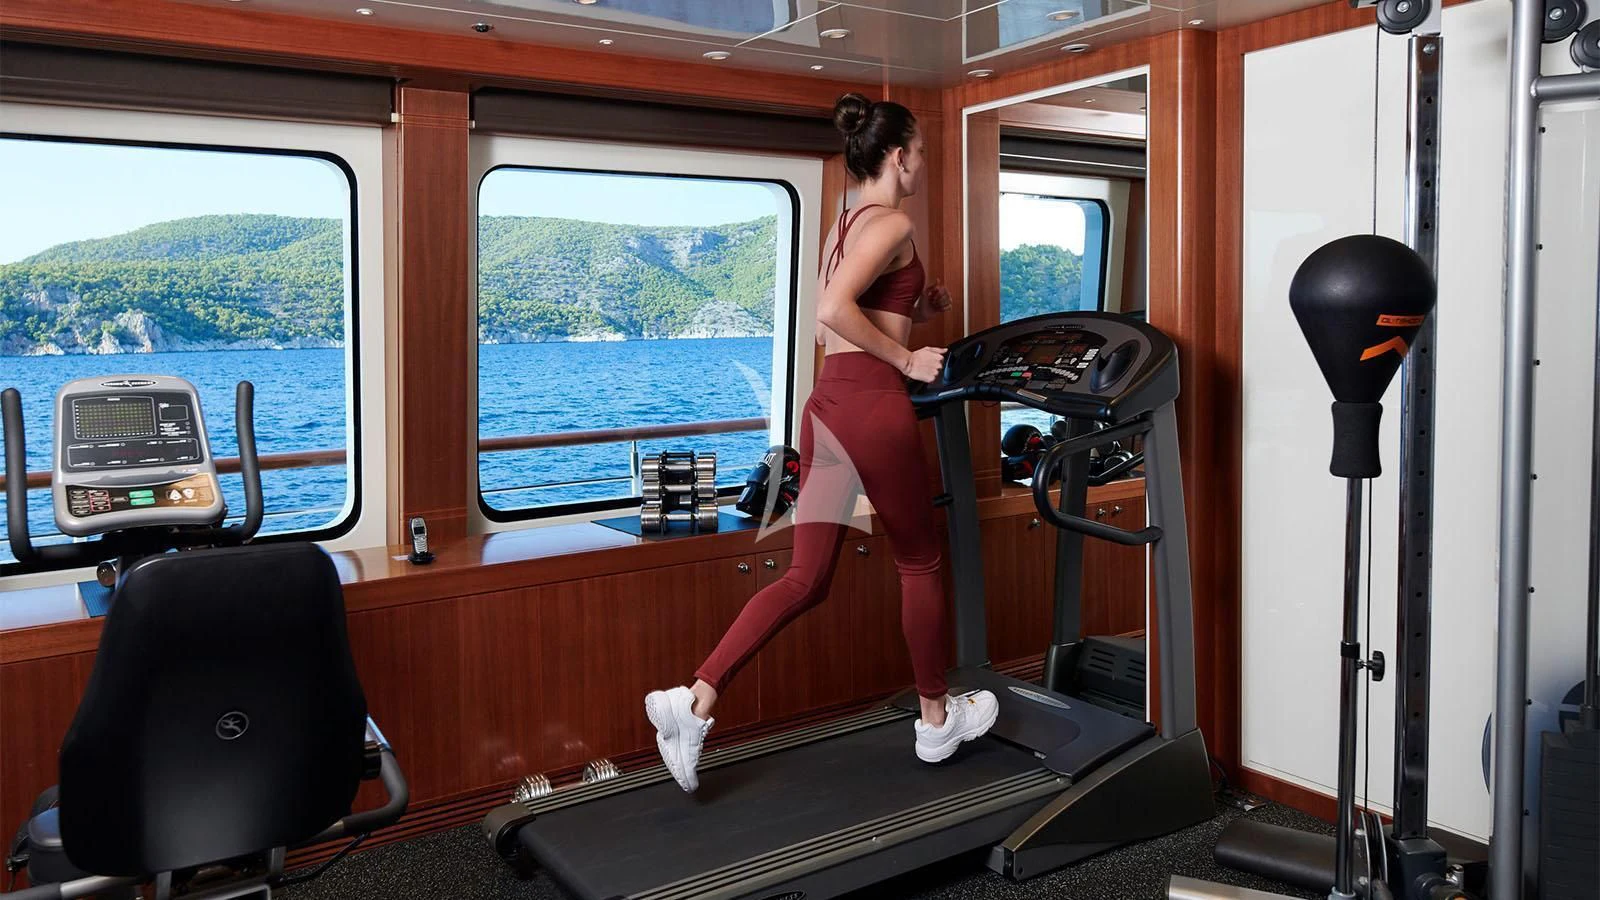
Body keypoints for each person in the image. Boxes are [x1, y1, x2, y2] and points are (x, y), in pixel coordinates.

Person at [645, 92, 999, 793]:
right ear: (897, 157)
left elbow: (826, 328)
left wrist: (916, 307)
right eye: (921, 152)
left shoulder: (845, 223)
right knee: (920, 561)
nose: (923, 163)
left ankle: (694, 700)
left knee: (807, 577)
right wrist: (907, 358)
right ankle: (936, 719)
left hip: (827, 404)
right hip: (871, 404)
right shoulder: (893, 222)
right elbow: (831, 310)